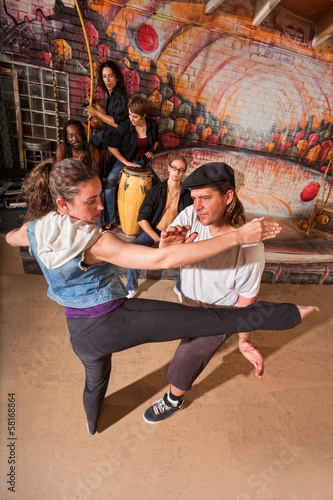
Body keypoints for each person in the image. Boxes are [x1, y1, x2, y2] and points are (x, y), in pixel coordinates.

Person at [5, 158, 318, 436]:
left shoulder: (35, 229)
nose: (102, 206)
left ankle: (92, 424)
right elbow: (161, 262)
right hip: (111, 322)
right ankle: (289, 314)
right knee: (217, 320)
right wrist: (238, 236)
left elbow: (10, 237)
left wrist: (166, 247)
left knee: (95, 383)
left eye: (101, 196)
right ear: (63, 205)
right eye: (92, 200)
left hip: (79, 334)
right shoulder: (94, 241)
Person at [142, 162, 309, 423]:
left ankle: (174, 399)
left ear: (228, 197)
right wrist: (167, 247)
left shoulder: (251, 250)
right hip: (186, 299)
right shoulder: (190, 215)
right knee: (183, 340)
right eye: (195, 198)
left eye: (205, 198)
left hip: (217, 314)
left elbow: (246, 298)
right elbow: (170, 257)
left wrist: (243, 339)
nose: (197, 206)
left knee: (187, 358)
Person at [126, 154, 192, 298]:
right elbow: (141, 219)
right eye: (174, 168)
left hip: (174, 234)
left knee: (189, 257)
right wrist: (156, 238)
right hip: (154, 232)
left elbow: (190, 220)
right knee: (133, 253)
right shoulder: (156, 191)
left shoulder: (187, 194)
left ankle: (180, 288)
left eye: (181, 170)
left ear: (184, 172)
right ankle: (131, 288)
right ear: (168, 168)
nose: (177, 172)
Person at [104, 95, 160, 227]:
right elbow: (111, 147)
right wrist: (127, 163)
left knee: (159, 188)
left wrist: (152, 150)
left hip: (144, 163)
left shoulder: (152, 125)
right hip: (125, 160)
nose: (131, 119)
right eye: (130, 115)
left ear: (143, 115)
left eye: (135, 116)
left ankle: (149, 222)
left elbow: (156, 140)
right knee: (109, 185)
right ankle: (110, 220)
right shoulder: (125, 125)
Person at [85, 60, 128, 152]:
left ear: (117, 78)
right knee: (83, 141)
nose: (107, 80)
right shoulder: (111, 94)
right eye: (104, 76)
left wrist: (96, 112)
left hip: (117, 142)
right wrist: (96, 104)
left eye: (110, 76)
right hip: (107, 134)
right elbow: (109, 115)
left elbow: (117, 123)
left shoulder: (120, 97)